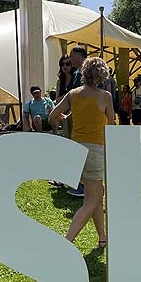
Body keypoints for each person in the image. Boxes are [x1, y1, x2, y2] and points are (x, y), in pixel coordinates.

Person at [49, 57, 115, 248]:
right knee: (92, 200)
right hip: (95, 150)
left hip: (75, 150)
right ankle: (66, 242)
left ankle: (103, 239)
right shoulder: (105, 97)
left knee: (95, 195)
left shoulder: (73, 93)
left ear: (83, 73)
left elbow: (53, 116)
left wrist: (64, 118)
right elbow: (111, 124)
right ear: (102, 75)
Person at [64, 45, 88, 197]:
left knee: (78, 150)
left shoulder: (81, 73)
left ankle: (81, 185)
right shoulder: (94, 72)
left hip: (79, 118)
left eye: (72, 56)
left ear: (79, 56)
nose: (70, 59)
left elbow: (73, 97)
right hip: (89, 119)